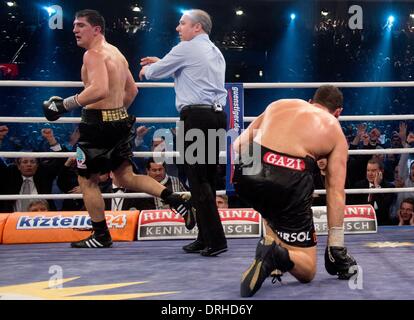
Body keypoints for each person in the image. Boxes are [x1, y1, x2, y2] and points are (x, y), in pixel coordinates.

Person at [42, 9, 194, 249]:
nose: (74, 30)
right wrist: (114, 114)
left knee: (87, 180)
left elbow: (99, 90)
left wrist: (64, 105)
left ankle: (101, 235)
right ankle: (176, 200)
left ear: (96, 29)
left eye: (80, 25)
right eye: (74, 26)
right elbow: (132, 91)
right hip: (120, 120)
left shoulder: (93, 54)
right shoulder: (117, 54)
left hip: (96, 125)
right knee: (125, 177)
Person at [232, 85, 357, 297]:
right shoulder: (335, 130)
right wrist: (336, 246)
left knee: (269, 198)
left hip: (246, 174)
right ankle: (274, 254)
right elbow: (335, 193)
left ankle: (273, 249)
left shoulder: (279, 104)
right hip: (287, 180)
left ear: (310, 101)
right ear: (338, 113)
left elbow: (238, 145)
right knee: (307, 270)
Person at [139, 9, 228, 256]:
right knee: (206, 179)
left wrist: (148, 70)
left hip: (197, 118)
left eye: (182, 23)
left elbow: (154, 74)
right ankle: (205, 236)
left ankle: (216, 240)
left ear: (197, 27)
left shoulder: (187, 48)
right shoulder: (214, 51)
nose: (178, 28)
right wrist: (163, 63)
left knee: (199, 182)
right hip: (216, 116)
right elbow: (186, 71)